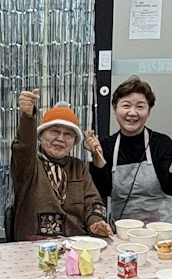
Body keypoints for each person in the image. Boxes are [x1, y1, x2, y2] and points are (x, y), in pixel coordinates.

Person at [86, 76, 172, 241]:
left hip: (167, 231)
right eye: (126, 105)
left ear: (148, 111)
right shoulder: (107, 146)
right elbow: (103, 191)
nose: (132, 113)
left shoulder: (161, 143)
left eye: (140, 106)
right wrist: (97, 156)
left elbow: (171, 188)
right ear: (115, 108)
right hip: (125, 233)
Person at [10, 89, 111, 240]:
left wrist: (96, 223)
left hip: (76, 243)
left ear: (74, 141)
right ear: (40, 135)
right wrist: (28, 117)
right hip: (35, 245)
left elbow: (93, 201)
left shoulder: (78, 167)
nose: (60, 139)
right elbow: (23, 146)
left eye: (68, 134)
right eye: (54, 131)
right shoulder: (28, 164)